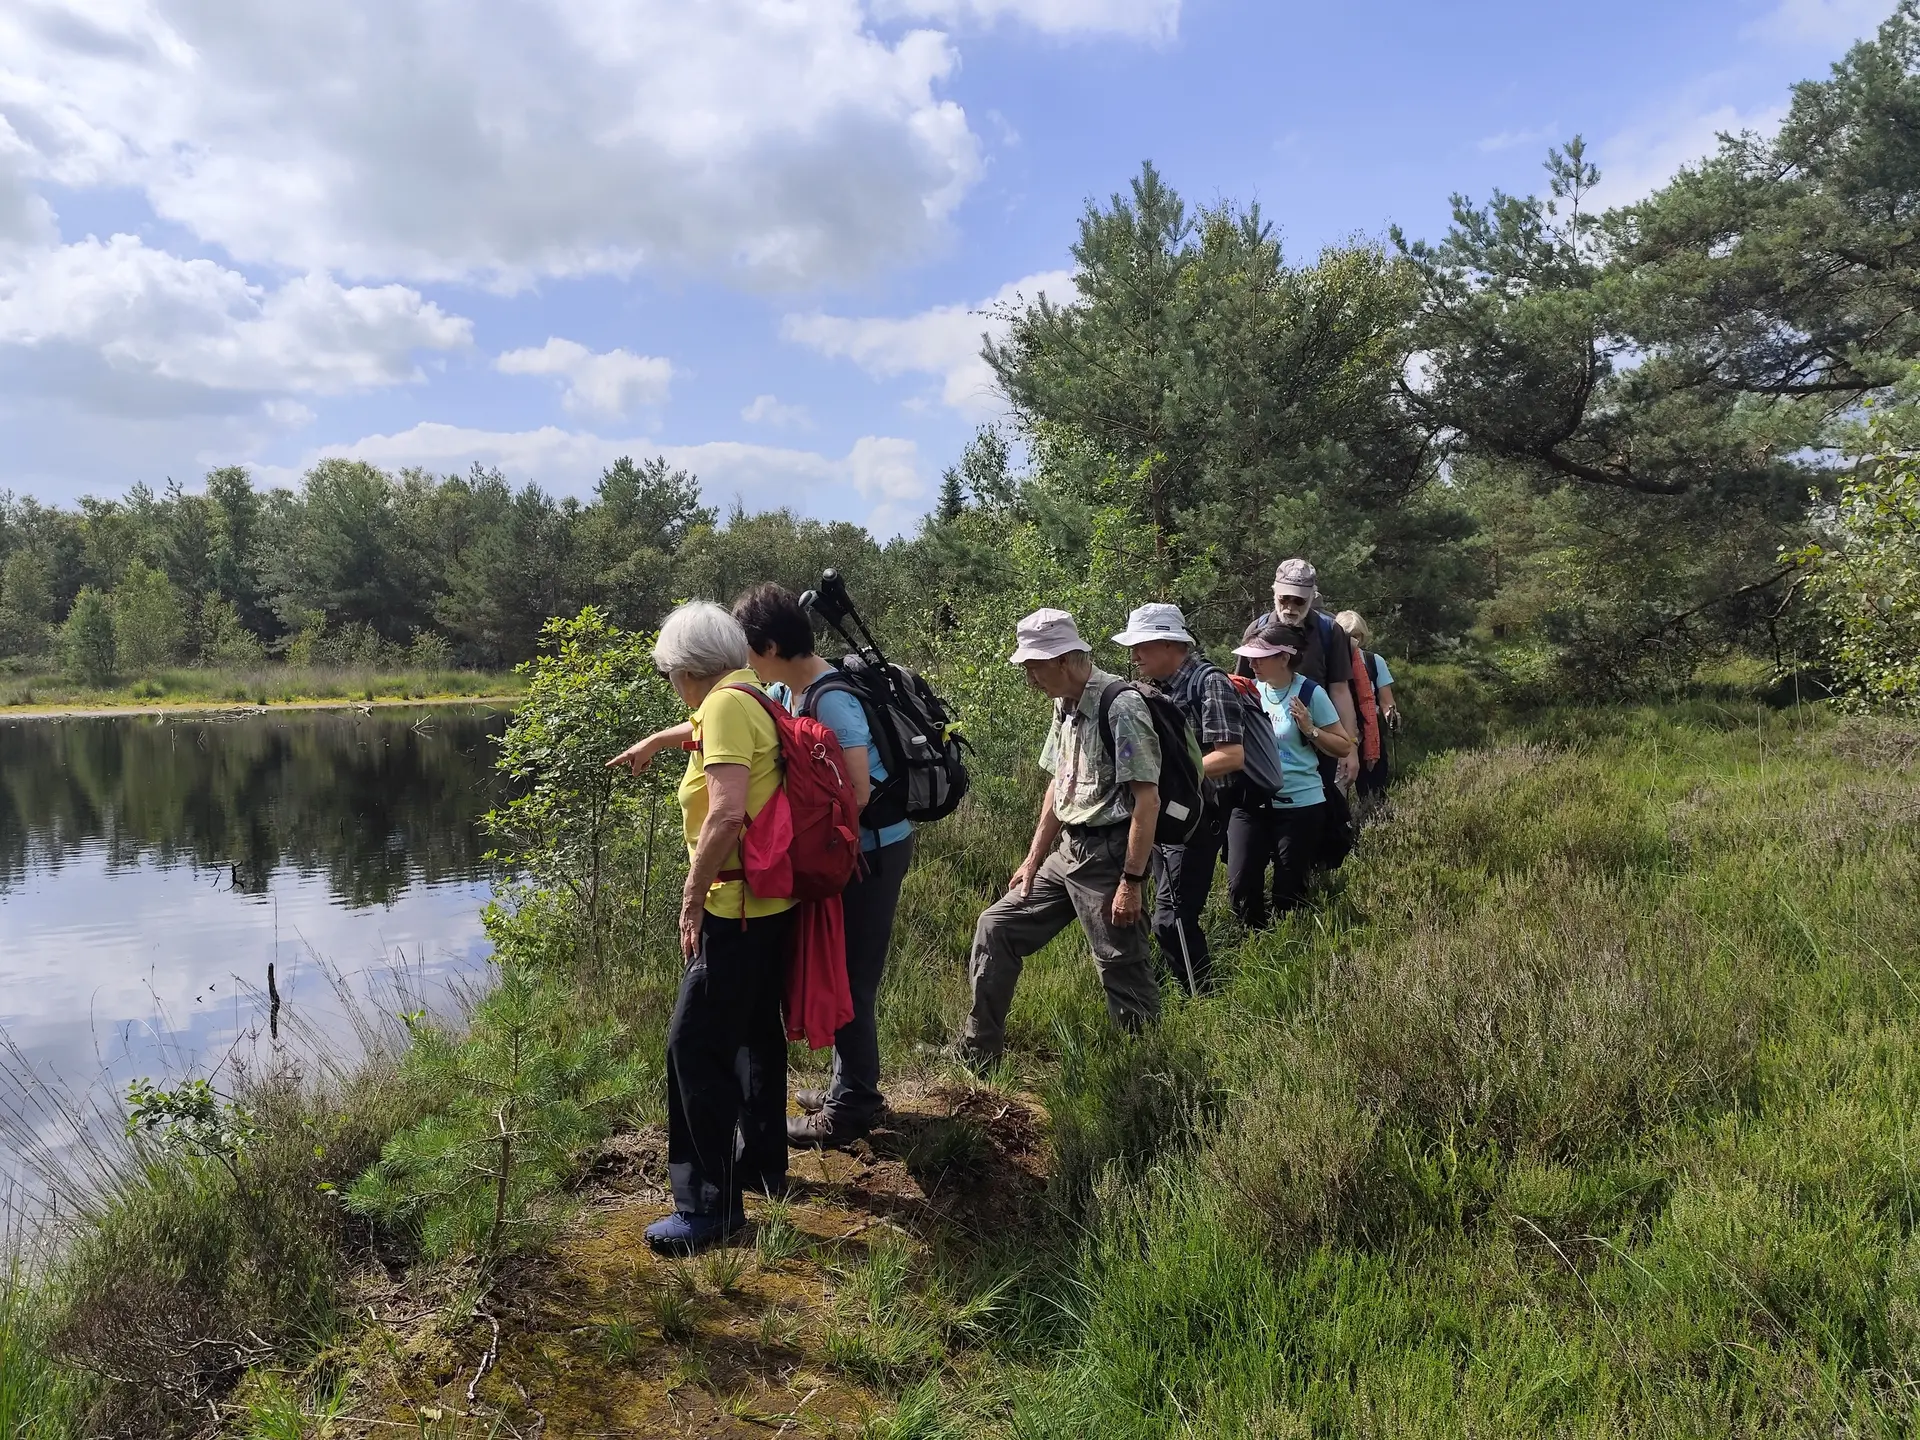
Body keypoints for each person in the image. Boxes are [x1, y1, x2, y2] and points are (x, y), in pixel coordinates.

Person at [607, 601, 794, 1255]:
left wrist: (691, 900)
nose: (675, 689)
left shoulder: (723, 706)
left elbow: (726, 814)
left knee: (692, 1048)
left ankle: (710, 1209)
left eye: (671, 676)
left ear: (687, 670)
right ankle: (762, 1162)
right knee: (750, 1036)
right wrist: (659, 742)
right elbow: (709, 736)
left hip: (732, 909)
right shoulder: (753, 694)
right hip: (769, 906)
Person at [732, 582, 914, 1150]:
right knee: (839, 969)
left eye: (746, 649)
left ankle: (854, 1105)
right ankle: (849, 1081)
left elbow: (856, 790)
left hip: (869, 850)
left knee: (853, 978)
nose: (744, 661)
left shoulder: (829, 697)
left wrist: (798, 840)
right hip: (845, 852)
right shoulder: (791, 690)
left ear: (767, 645)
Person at [955, 608, 1163, 1070]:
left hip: (1110, 856)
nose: (1030, 677)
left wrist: (1132, 879)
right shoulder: (1064, 703)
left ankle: (1146, 1079)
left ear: (1066, 659)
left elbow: (1147, 801)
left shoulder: (1121, 706)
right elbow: (1058, 782)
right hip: (1068, 851)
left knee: (1120, 967)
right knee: (997, 926)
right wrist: (1033, 858)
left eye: (1035, 666)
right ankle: (978, 1056)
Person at [1112, 602, 1243, 995]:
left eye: (1143, 646)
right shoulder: (1151, 691)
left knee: (1173, 918)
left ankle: (1204, 998)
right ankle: (1186, 987)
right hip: (1161, 816)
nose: (1134, 656)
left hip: (1200, 819)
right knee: (1165, 913)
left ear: (1171, 644)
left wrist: (1178, 778)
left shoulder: (1209, 683)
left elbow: (1233, 755)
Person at [1226, 621, 1353, 928]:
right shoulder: (1248, 691)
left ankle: (1287, 952)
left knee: (1288, 893)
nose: (1252, 663)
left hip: (1300, 807)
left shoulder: (1310, 693)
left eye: (1260, 657)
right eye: (1251, 657)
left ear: (1283, 658)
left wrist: (1310, 729)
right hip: (1251, 804)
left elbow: (1343, 746)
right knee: (1241, 886)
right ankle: (1251, 946)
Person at [1237, 559, 1359, 790]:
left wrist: (1350, 748)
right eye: (1284, 598)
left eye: (1299, 600)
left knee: (1322, 814)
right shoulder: (1256, 630)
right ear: (1274, 593)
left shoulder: (1330, 631)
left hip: (1319, 745)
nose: (1290, 607)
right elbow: (1242, 688)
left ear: (1312, 596)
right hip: (1268, 745)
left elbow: (1340, 691)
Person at [1335, 610, 1398, 801]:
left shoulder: (1374, 661)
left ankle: (1373, 823)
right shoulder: (1331, 663)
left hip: (1371, 732)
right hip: (1340, 731)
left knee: (1374, 790)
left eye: (1357, 635)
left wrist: (1391, 715)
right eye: (1349, 636)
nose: (1354, 641)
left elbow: (1387, 701)